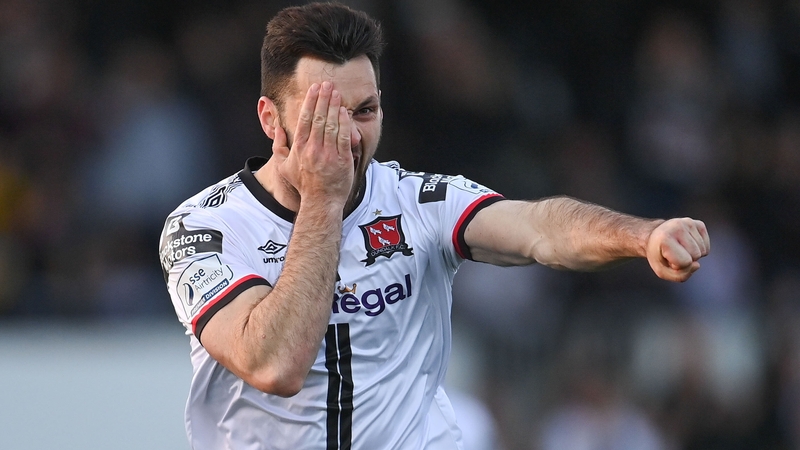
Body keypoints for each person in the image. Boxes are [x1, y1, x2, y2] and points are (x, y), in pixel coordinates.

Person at [158, 3, 710, 449]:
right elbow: (273, 364)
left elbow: (541, 227)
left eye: (365, 111)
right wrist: (323, 202)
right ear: (269, 118)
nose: (349, 138)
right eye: (324, 117)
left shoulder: (417, 202)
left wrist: (643, 236)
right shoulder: (205, 228)